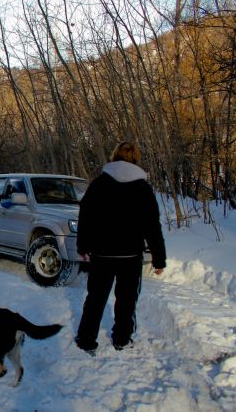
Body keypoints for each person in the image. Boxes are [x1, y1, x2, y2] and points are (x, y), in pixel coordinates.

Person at [74, 141, 166, 354]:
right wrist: (159, 259)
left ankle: (86, 339)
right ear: (136, 158)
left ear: (114, 156)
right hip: (129, 256)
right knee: (126, 300)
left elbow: (85, 217)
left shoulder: (99, 184)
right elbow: (152, 226)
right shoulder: (143, 189)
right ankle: (122, 339)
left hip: (101, 254)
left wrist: (83, 246)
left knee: (95, 298)